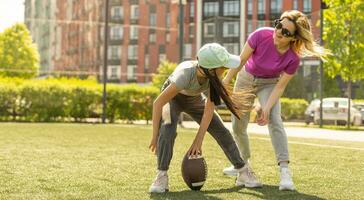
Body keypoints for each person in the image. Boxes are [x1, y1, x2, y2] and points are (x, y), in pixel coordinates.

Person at [222, 10, 328, 191]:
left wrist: (266, 108)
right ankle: (242, 164)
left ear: (294, 38)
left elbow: (279, 87)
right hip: (246, 77)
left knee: (275, 120)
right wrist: (224, 82)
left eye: (286, 32)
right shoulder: (260, 35)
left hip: (269, 83)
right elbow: (240, 61)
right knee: (238, 124)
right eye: (279, 25)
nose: (279, 32)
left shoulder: (293, 59)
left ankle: (285, 171)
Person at [148, 43, 260, 193]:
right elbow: (158, 104)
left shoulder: (213, 78)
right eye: (224, 67)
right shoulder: (184, 74)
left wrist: (198, 140)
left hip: (194, 100)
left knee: (221, 131)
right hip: (172, 100)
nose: (226, 70)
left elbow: (209, 109)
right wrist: (155, 135)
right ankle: (161, 175)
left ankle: (243, 171)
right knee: (167, 129)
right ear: (211, 69)